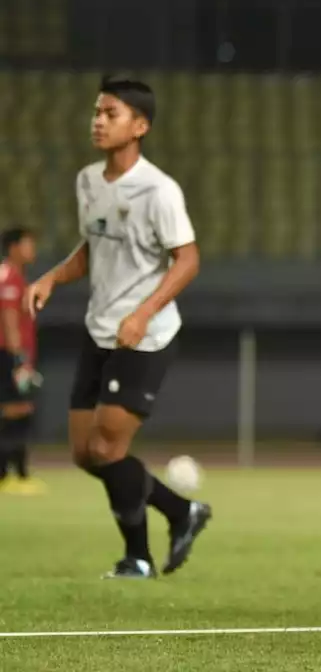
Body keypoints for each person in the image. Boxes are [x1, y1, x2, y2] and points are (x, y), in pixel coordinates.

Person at [24, 77, 211, 579]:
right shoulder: (88, 181)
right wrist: (51, 277)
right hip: (99, 328)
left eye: (111, 113)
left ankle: (139, 558)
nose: (98, 120)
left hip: (145, 336)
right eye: (96, 112)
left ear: (140, 125)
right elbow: (93, 248)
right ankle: (180, 512)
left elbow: (188, 259)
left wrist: (143, 312)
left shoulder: (158, 190)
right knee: (85, 454)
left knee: (108, 448)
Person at [0, 226, 44, 494]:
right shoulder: (9, 277)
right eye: (28, 244)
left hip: (13, 354)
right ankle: (11, 475)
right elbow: (9, 318)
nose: (32, 249)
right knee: (14, 410)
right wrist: (19, 358)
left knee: (20, 408)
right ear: (14, 247)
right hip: (8, 354)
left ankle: (16, 474)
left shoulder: (15, 276)